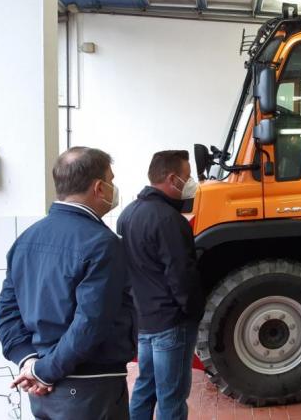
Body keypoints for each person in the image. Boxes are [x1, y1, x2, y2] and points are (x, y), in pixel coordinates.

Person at [0, 146, 136, 419]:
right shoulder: (103, 244)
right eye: (111, 180)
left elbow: (4, 315)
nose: (113, 187)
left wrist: (29, 361)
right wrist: (43, 371)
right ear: (98, 187)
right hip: (91, 387)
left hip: (45, 392)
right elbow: (90, 324)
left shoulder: (26, 239)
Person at [117, 150, 204, 420]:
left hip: (145, 320)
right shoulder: (170, 220)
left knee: (146, 387)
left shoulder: (128, 214)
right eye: (187, 177)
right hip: (171, 324)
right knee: (172, 397)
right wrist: (193, 312)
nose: (190, 183)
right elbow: (181, 276)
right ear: (171, 178)